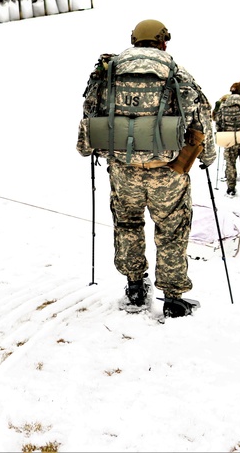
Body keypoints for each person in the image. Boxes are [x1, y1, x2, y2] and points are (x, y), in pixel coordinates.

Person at [76, 19, 216, 319]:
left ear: (133, 40)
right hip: (168, 170)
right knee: (172, 230)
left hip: (123, 169)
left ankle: (135, 286)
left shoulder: (108, 72)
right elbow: (201, 119)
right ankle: (174, 298)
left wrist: (89, 148)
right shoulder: (177, 74)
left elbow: (89, 111)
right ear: (163, 42)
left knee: (127, 224)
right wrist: (207, 157)